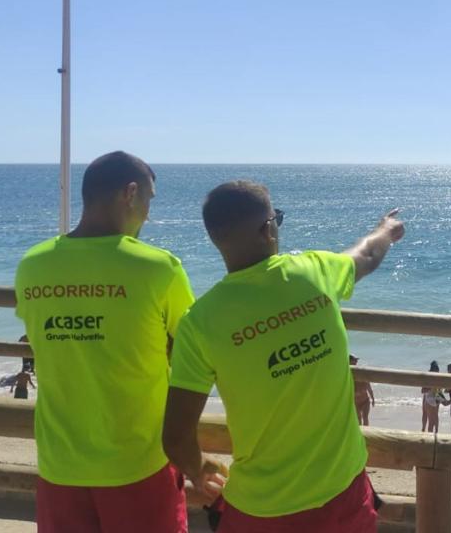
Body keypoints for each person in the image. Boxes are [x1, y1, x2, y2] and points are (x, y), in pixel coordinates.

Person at [163, 180, 404, 533]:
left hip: (259, 508)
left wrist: (200, 470)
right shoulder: (315, 271)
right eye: (276, 218)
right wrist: (386, 230)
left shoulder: (199, 323)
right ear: (267, 229)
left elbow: (175, 437)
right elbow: (367, 255)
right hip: (342, 494)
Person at [15, 151, 199, 533]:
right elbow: (192, 347)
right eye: (148, 199)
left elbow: (43, 340)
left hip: (59, 464)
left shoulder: (32, 265)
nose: (148, 212)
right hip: (139, 462)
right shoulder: (159, 267)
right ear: (130, 194)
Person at [421, 361, 448, 433]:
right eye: (435, 371)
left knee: (435, 415)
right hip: (430, 395)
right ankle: (424, 429)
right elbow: (423, 390)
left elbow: (441, 390)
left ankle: (436, 431)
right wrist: (431, 386)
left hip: (436, 395)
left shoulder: (439, 377)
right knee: (426, 414)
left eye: (437, 372)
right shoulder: (427, 376)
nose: (437, 373)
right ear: (431, 370)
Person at [350, 355, 375, 426]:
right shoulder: (348, 373)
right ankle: (361, 434)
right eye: (355, 360)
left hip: (365, 400)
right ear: (350, 361)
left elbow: (368, 387)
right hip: (355, 402)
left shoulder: (361, 372)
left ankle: (367, 434)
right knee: (358, 419)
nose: (356, 361)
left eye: (356, 360)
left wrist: (373, 398)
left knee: (365, 417)